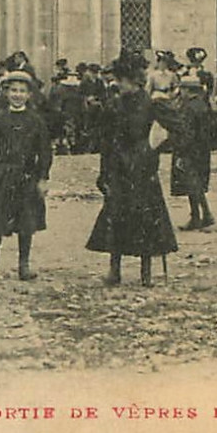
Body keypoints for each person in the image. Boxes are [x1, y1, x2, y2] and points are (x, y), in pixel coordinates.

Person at [85, 50, 178, 287]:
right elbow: (106, 139)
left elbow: (179, 129)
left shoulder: (151, 104)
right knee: (116, 215)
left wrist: (157, 147)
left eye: (123, 80)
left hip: (141, 166)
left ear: (135, 81)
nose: (119, 84)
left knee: (145, 217)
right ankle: (114, 270)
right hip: (118, 165)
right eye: (118, 80)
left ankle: (146, 272)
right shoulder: (114, 104)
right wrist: (103, 171)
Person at [0, 70, 51, 281]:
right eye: (13, 91)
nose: (17, 95)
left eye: (22, 91)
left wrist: (43, 178)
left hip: (27, 176)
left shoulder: (35, 120)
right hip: (2, 175)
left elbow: (45, 151)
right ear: (6, 93)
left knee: (26, 222)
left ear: (29, 95)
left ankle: (24, 265)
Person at [161, 72, 214, 231]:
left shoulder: (188, 107)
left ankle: (201, 216)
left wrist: (181, 151)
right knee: (195, 183)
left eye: (182, 89)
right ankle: (201, 215)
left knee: (192, 183)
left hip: (189, 149)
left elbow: (187, 132)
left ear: (188, 90)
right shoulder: (202, 105)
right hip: (202, 149)